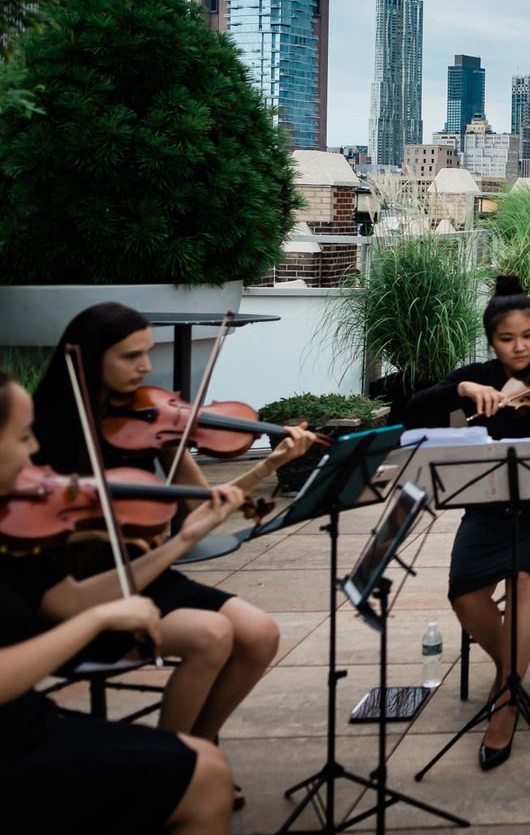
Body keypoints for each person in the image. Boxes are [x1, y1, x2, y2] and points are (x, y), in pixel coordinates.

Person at [31, 302, 318, 803]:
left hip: (150, 574)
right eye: (130, 356)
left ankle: (197, 750)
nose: (146, 367)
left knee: (260, 634)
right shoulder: (45, 437)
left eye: (146, 353)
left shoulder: (148, 422)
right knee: (211, 636)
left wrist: (266, 467)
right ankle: (171, 771)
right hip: (83, 587)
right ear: (90, 359)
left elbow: (201, 506)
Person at [0, 370, 237, 833]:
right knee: (205, 775)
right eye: (23, 436)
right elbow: (76, 618)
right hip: (12, 742)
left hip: (23, 720)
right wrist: (99, 620)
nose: (35, 452)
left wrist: (183, 539)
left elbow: (68, 601)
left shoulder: (11, 527)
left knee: (203, 762)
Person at [404, 275, 530, 771]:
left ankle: (506, 701)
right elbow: (411, 410)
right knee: (464, 593)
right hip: (490, 508)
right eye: (507, 339)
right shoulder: (477, 378)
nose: (519, 347)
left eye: (528, 336)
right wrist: (462, 387)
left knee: (522, 576)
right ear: (492, 340)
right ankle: (512, 671)